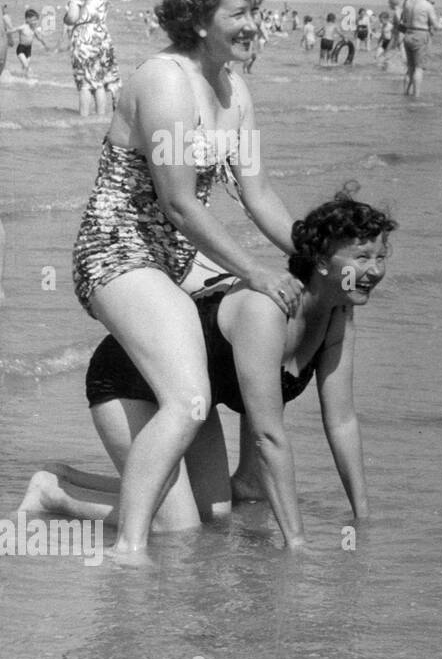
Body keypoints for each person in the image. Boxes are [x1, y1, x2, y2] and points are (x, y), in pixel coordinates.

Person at [69, 0, 305, 559]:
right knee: (190, 400)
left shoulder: (235, 90)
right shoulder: (166, 79)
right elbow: (177, 202)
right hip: (119, 251)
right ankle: (126, 551)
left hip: (176, 261)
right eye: (241, 12)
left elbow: (258, 195)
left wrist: (319, 257)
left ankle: (59, 493)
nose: (256, 24)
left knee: (205, 518)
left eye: (259, 12)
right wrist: (253, 269)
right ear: (200, 19)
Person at [23, 189, 394, 549]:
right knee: (179, 526)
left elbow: (342, 421)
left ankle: (71, 476)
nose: (374, 271)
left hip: (192, 404)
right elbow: (268, 436)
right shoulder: (267, 310)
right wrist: (295, 543)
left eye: (381, 257)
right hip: (130, 379)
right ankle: (55, 494)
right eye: (362, 258)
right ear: (323, 261)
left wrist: (363, 519)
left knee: (214, 513)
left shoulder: (338, 314)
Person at [62, 0, 121, 116]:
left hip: (84, 37)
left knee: (85, 83)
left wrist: (66, 18)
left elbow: (73, 18)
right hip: (102, 36)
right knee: (99, 82)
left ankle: (83, 119)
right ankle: (100, 118)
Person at [398, 0, 438, 97]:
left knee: (410, 67)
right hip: (420, 35)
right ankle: (416, 95)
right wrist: (441, 25)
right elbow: (436, 25)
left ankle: (405, 93)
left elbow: (404, 20)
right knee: (419, 68)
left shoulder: (409, 1)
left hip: (408, 34)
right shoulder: (427, 5)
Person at [12, 8, 50, 75]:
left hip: (28, 50)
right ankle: (31, 76)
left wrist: (45, 45)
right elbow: (13, 30)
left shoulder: (33, 29)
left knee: (24, 66)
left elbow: (39, 38)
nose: (35, 22)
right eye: (33, 20)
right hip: (21, 49)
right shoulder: (23, 27)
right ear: (27, 19)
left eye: (36, 20)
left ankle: (22, 78)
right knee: (26, 65)